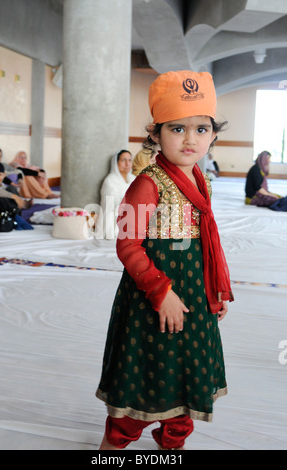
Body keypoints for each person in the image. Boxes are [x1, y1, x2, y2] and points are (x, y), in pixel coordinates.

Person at [96, 70, 234, 450]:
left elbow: (205, 241)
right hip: (151, 303)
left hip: (194, 300)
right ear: (155, 134)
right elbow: (127, 246)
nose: (191, 139)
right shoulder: (147, 183)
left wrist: (216, 288)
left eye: (201, 129)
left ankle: (171, 446)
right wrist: (161, 292)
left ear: (213, 135)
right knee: (143, 382)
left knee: (184, 383)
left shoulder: (201, 180)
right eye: (177, 129)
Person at [97, 149, 135, 239]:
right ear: (116, 163)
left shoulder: (133, 178)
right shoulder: (110, 181)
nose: (127, 164)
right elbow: (111, 205)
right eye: (123, 160)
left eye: (129, 160)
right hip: (115, 221)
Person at [0, 158, 32, 229]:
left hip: (5, 209)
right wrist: (15, 196)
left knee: (11, 189)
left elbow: (18, 172)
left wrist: (15, 196)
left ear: (4, 174)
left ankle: (17, 216)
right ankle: (17, 218)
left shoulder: (3, 183)